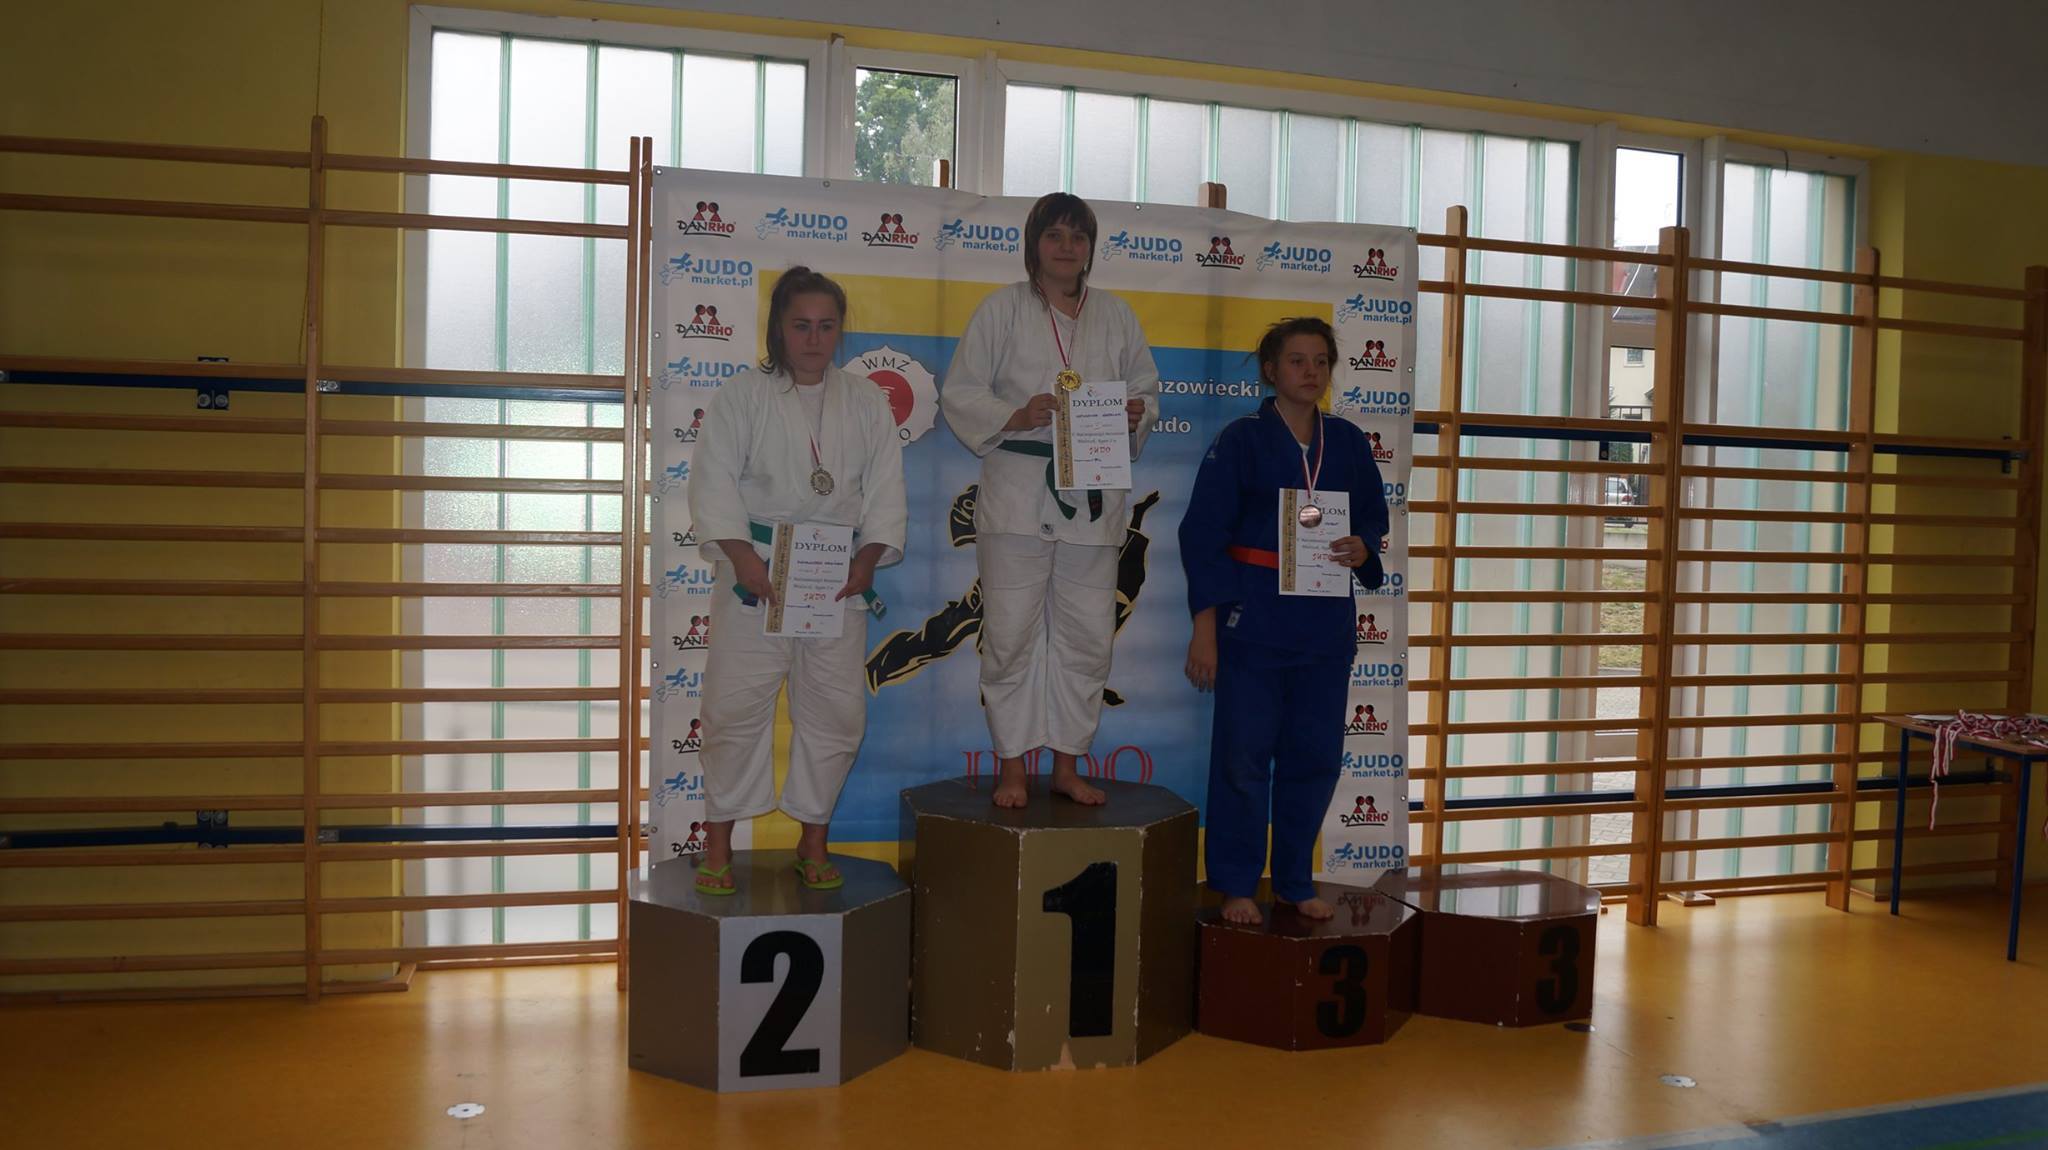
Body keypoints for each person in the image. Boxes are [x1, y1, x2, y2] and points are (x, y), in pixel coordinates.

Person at [685, 267, 907, 893]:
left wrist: (868, 559)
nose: (814, 339)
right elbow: (713, 483)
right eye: (801, 325)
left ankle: (813, 841)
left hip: (835, 575)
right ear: (778, 328)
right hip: (757, 569)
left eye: (826, 326)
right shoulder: (742, 395)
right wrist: (742, 559)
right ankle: (718, 845)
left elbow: (886, 490)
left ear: (840, 330)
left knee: (836, 711)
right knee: (732, 708)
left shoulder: (865, 401)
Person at [941, 192, 1161, 809]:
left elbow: (1147, 389)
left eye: (1078, 237)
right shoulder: (1002, 309)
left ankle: (1067, 765)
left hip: (1093, 493)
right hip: (1017, 494)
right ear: (1034, 243)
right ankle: (1012, 767)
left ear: (1091, 248)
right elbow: (960, 391)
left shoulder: (1116, 315)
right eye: (1055, 235)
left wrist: (1137, 413)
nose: (1067, 247)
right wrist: (1015, 413)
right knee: (1009, 636)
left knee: (1087, 637)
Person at [1179, 317, 1390, 924]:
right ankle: (1237, 884)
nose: (1311, 372)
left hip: (1323, 628)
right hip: (1254, 623)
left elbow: (1372, 518)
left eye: (1321, 361)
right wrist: (1205, 629)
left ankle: (1295, 879)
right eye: (1297, 361)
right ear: (1271, 371)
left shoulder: (1347, 440)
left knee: (1314, 759)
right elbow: (1202, 536)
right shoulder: (1241, 440)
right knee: (1243, 761)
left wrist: (1363, 547)